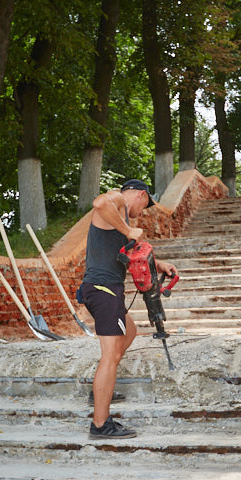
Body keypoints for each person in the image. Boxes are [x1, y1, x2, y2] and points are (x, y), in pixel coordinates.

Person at [79, 179, 176, 438]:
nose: (142, 212)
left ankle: (102, 387)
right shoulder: (118, 201)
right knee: (110, 356)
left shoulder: (118, 219)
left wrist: (161, 264)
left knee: (129, 331)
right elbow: (99, 203)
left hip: (105, 290)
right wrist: (127, 229)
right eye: (145, 205)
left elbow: (133, 253)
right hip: (103, 290)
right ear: (142, 195)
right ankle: (100, 425)